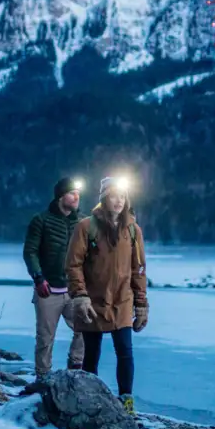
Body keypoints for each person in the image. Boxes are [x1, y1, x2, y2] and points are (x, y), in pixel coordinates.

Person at [65, 175, 148, 416]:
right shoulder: (86, 227)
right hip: (92, 302)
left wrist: (141, 304)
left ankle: (126, 401)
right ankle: (90, 401)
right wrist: (80, 295)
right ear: (104, 198)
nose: (119, 201)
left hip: (122, 302)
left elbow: (139, 269)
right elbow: (73, 264)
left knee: (125, 351)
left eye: (123, 197)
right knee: (91, 354)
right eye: (114, 196)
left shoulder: (133, 230)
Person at [23, 176, 86, 379]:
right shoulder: (41, 220)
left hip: (75, 289)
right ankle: (42, 376)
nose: (77, 197)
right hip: (48, 290)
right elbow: (30, 252)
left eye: (78, 193)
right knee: (45, 338)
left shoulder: (83, 222)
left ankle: (75, 369)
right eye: (72, 193)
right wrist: (38, 277)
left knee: (85, 328)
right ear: (61, 196)